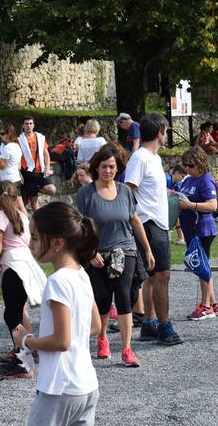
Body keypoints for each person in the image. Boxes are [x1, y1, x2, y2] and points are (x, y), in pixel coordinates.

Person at [12, 202, 101, 426]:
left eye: (34, 238)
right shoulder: (81, 274)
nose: (30, 244)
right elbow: (95, 326)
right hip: (86, 386)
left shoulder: (57, 282)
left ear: (58, 243)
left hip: (59, 388)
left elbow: (62, 342)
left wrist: (26, 340)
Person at [76, 144, 156, 367]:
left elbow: (134, 220)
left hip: (125, 249)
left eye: (112, 166)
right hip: (97, 253)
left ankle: (127, 349)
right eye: (104, 166)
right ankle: (102, 338)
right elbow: (79, 227)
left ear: (117, 168)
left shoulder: (125, 191)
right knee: (102, 298)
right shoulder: (86, 193)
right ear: (96, 168)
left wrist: (147, 249)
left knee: (123, 296)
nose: (108, 170)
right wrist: (90, 252)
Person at [124, 113, 184, 346]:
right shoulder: (140, 158)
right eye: (165, 131)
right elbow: (129, 191)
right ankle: (164, 326)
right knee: (162, 275)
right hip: (148, 223)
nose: (166, 135)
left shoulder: (154, 158)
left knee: (153, 275)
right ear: (160, 133)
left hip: (157, 222)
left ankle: (150, 323)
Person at [0, 181, 47, 378]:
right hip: (25, 265)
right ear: (16, 197)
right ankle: (23, 352)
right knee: (16, 312)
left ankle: (23, 359)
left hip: (12, 267)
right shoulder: (22, 215)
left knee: (11, 315)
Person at [178, 146, 218, 321]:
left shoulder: (205, 180)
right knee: (202, 266)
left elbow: (213, 205)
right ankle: (213, 304)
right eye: (185, 165)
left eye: (191, 165)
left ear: (200, 163)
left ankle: (206, 306)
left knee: (201, 266)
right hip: (191, 229)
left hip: (202, 229)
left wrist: (190, 206)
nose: (187, 169)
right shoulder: (189, 180)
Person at [18, 116, 56, 211]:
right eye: (26, 124)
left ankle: (35, 189)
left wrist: (47, 168)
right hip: (28, 172)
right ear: (23, 125)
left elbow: (46, 154)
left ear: (34, 125)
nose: (29, 126)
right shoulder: (19, 140)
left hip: (40, 170)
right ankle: (37, 219)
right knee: (34, 201)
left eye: (30, 123)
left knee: (52, 190)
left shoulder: (40, 137)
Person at [0, 123, 23, 195]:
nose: (0, 136)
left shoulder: (7, 148)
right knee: (19, 202)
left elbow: (2, 166)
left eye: (2, 134)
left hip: (8, 181)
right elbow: (19, 166)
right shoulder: (17, 146)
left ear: (9, 134)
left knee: (7, 202)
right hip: (16, 179)